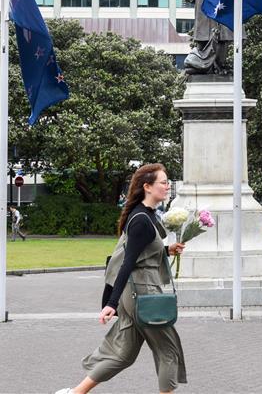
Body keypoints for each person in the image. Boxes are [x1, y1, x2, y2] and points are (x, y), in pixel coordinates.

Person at [56, 163, 187, 394]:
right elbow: (127, 263)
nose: (167, 187)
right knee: (168, 351)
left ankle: (76, 393)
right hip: (143, 293)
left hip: (135, 294)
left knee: (123, 354)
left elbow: (139, 255)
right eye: (163, 182)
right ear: (147, 186)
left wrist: (167, 250)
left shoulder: (144, 215)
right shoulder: (141, 220)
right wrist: (110, 304)